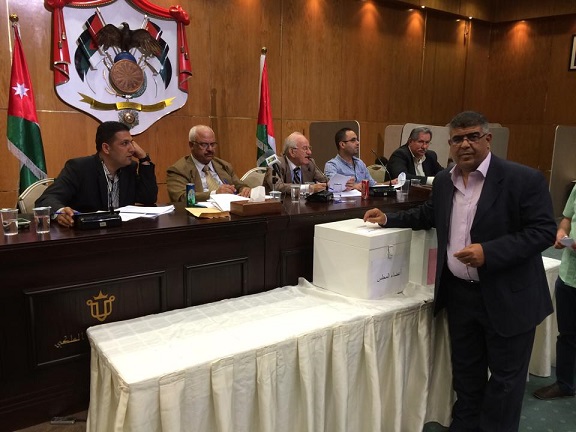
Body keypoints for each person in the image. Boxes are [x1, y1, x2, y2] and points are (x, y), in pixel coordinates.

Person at [364, 111, 556, 432]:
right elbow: (429, 214)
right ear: (450, 144)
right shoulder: (444, 181)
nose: (465, 144)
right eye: (457, 139)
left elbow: (543, 232)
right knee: (466, 377)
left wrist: (489, 252)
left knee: (505, 384)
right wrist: (387, 218)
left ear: (487, 139)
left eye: (472, 137)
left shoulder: (523, 179)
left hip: (508, 297)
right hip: (461, 297)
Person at [36, 121, 158, 228]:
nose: (132, 149)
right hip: (85, 235)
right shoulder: (80, 168)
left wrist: (144, 159)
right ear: (106, 148)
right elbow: (46, 199)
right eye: (125, 143)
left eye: (131, 143)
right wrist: (60, 212)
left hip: (120, 232)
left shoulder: (128, 168)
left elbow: (148, 198)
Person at [533, 184, 576, 400]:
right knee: (567, 334)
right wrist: (562, 233)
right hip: (569, 275)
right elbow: (567, 218)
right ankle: (565, 384)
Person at [166, 125, 250, 202]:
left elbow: (239, 185)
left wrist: (245, 189)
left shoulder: (224, 165)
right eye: (204, 144)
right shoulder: (178, 170)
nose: (210, 149)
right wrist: (215, 194)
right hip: (200, 212)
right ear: (191, 145)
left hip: (230, 209)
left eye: (212, 144)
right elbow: (181, 197)